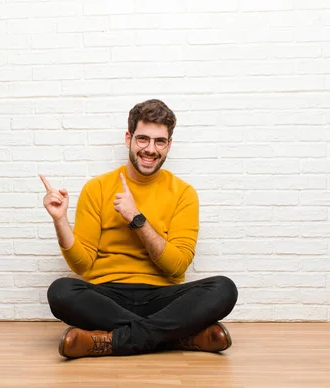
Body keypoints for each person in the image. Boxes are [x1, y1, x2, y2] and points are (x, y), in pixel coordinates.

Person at [40, 99, 238, 359]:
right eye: (143, 139)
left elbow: (176, 266)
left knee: (224, 289)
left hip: (163, 296)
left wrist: (136, 218)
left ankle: (108, 341)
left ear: (169, 145)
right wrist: (60, 221)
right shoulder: (97, 188)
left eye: (160, 141)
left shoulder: (184, 193)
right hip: (109, 296)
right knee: (61, 291)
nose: (151, 149)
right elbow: (82, 266)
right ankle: (179, 336)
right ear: (128, 139)